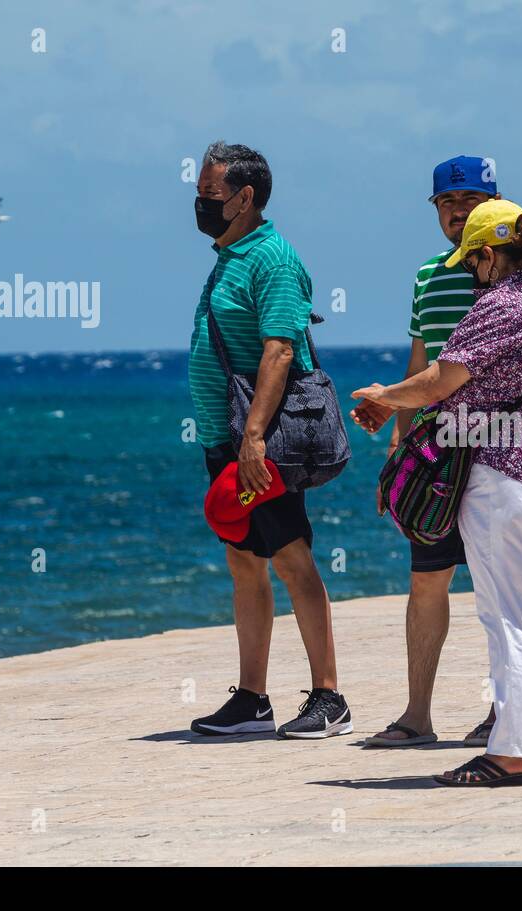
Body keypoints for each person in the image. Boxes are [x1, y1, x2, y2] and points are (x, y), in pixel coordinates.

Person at [355, 156, 522, 749]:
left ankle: (507, 729)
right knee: (437, 581)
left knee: (505, 607)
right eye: (446, 201)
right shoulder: (429, 277)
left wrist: (484, 356)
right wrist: (400, 442)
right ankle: (422, 716)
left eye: (468, 199)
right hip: (446, 452)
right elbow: (421, 364)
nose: (457, 210)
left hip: (498, 453)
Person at [186, 141, 351, 739]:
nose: (200, 204)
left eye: (209, 195)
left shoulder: (273, 259)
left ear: (244, 198)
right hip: (225, 440)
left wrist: (254, 437)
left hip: (261, 441)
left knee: (290, 555)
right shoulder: (230, 254)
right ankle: (253, 698)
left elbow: (280, 349)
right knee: (243, 558)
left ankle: (329, 697)